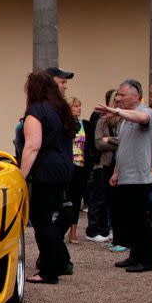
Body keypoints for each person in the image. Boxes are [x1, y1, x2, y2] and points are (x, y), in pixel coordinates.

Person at [19, 71, 76, 284]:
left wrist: (21, 175)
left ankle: (48, 271)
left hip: (46, 171)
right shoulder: (61, 109)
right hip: (64, 167)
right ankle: (60, 262)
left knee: (42, 220)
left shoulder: (36, 111)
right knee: (54, 216)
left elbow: (32, 146)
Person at [96, 79, 152, 273]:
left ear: (136, 96)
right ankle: (134, 256)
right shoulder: (124, 121)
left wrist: (115, 112)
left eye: (122, 95)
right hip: (125, 177)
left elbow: (142, 118)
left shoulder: (147, 112)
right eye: (118, 95)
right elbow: (123, 147)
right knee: (130, 220)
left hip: (139, 178)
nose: (118, 98)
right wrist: (116, 172)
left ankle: (146, 260)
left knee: (140, 220)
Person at [85, 89, 117, 243]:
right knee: (99, 197)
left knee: (110, 199)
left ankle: (104, 229)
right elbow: (98, 143)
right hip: (102, 164)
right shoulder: (101, 120)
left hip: (115, 164)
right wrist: (116, 141)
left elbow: (124, 141)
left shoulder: (122, 121)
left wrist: (109, 140)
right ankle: (93, 230)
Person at [66, 97, 89, 244]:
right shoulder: (65, 124)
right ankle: (63, 229)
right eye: (75, 106)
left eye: (79, 106)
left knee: (76, 199)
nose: (78, 108)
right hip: (69, 165)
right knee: (66, 199)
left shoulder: (84, 124)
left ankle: (73, 232)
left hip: (81, 165)